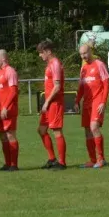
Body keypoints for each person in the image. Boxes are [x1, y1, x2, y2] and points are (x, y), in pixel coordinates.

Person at [74, 44, 109, 168]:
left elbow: (106, 83)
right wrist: (77, 101)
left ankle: (101, 159)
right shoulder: (83, 69)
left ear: (90, 51)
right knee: (87, 132)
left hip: (97, 101)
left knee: (94, 127)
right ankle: (93, 160)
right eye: (81, 54)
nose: (83, 56)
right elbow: (81, 87)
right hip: (87, 103)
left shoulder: (99, 64)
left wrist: (103, 102)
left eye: (85, 53)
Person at [37, 40, 67, 170]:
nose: (40, 55)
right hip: (49, 103)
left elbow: (57, 86)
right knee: (42, 130)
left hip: (54, 102)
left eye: (41, 52)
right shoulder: (50, 64)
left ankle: (62, 162)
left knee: (56, 130)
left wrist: (47, 101)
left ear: (48, 51)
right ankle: (52, 158)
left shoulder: (55, 63)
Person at [0, 50, 19, 171]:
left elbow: (13, 91)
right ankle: (7, 163)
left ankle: (14, 165)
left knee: (10, 135)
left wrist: (5, 106)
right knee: (2, 136)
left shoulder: (10, 71)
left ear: (3, 59)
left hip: (8, 110)